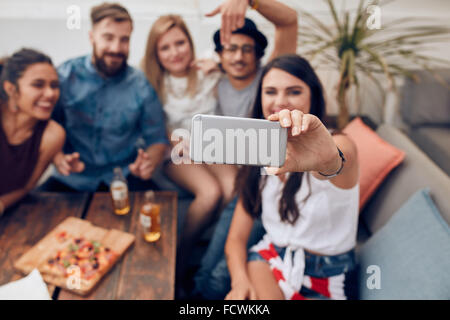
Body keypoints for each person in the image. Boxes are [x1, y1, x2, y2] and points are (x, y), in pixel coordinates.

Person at [225, 54, 359, 300]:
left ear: (313, 96)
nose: (280, 101)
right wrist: (239, 282)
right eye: (270, 91)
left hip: (329, 273)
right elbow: (235, 238)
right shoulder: (259, 152)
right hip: (271, 257)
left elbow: (335, 162)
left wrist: (326, 160)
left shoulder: (338, 142)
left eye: (294, 91)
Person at [194, 0, 298, 298]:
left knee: (218, 276)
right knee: (206, 269)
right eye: (231, 48)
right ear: (220, 55)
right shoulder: (215, 83)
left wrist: (250, 1)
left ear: (258, 55)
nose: (238, 56)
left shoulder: (271, 82)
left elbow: (289, 21)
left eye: (246, 49)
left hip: (266, 188)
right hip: (245, 187)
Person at [141, 14, 237, 286]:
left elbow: (240, 63)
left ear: (190, 43)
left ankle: (213, 261)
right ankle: (179, 260)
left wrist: (220, 64)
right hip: (178, 152)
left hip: (214, 147)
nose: (175, 52)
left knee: (232, 190)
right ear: (156, 53)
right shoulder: (152, 83)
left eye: (180, 43)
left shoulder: (207, 69)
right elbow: (160, 131)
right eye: (165, 47)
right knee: (210, 194)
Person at [41, 2, 169, 192]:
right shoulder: (64, 76)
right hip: (71, 178)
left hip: (125, 175)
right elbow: (45, 125)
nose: (116, 48)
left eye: (124, 39)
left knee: (161, 215)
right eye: (108, 38)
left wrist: (148, 162)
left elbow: (157, 138)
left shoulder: (140, 85)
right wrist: (58, 157)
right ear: (92, 37)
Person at [0, 48, 65, 216]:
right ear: (11, 89)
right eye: (38, 84)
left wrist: (1, 204)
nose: (50, 94)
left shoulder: (53, 135)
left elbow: (27, 187)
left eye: (54, 85)